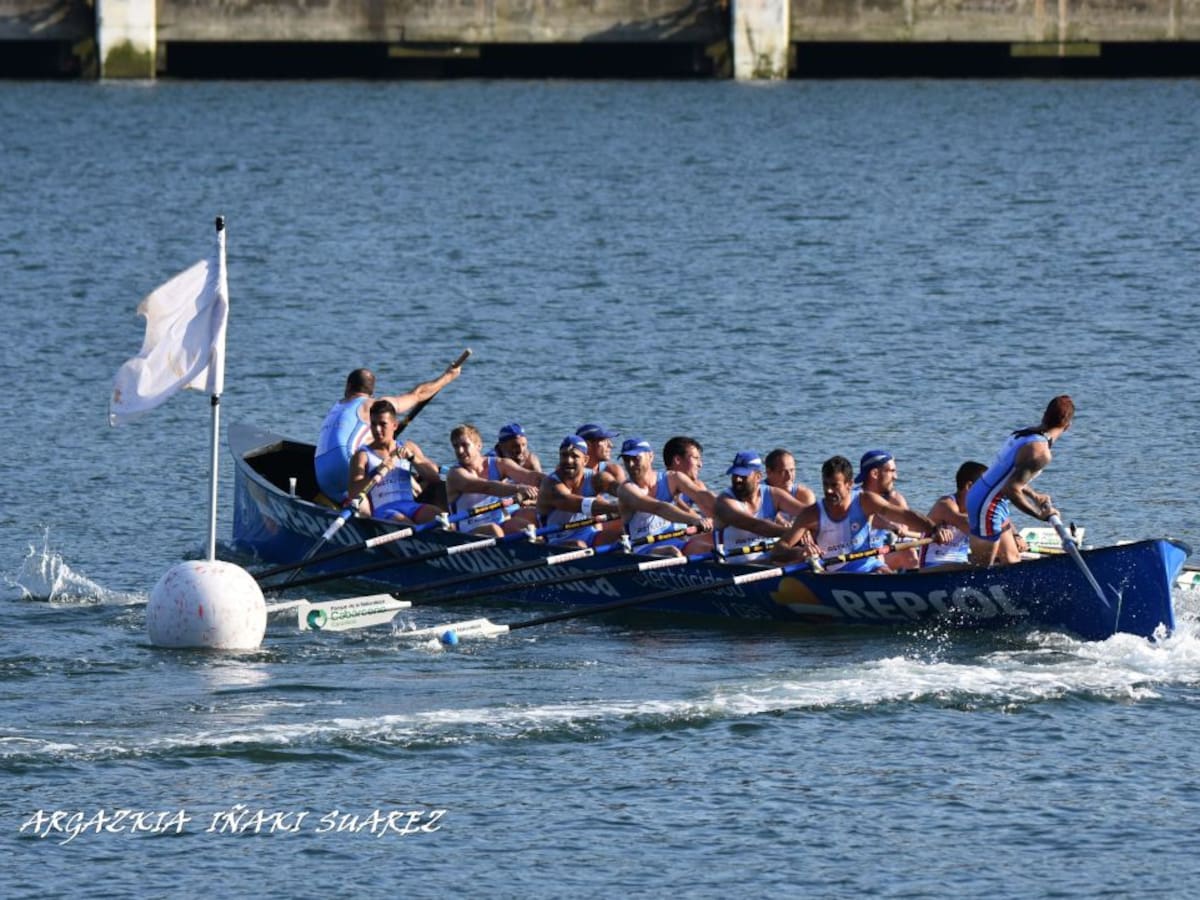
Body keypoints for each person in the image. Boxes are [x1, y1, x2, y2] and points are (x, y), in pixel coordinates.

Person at [773, 456, 952, 573]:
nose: (828, 491)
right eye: (825, 484)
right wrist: (800, 552)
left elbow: (904, 515)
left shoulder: (866, 501)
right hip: (834, 575)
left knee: (885, 570)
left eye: (834, 485)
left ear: (849, 484)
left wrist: (934, 529)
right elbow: (779, 550)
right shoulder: (811, 514)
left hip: (870, 568)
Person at [314, 361, 462, 502]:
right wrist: (448, 377)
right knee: (403, 458)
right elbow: (418, 395)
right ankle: (413, 491)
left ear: (348, 386)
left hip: (322, 476)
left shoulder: (337, 407)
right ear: (372, 392)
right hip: (347, 467)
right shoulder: (371, 405)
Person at [966, 395, 1074, 567]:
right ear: (1067, 426)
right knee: (980, 571)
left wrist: (1034, 495)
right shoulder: (1041, 452)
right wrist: (1040, 515)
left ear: (1044, 415)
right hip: (988, 506)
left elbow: (1010, 478)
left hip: (984, 496)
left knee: (1012, 559)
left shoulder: (1024, 433)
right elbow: (1011, 489)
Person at [346, 400, 443, 525]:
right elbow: (353, 492)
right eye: (373, 424)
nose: (377, 429)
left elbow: (434, 477)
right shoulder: (362, 455)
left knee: (440, 518)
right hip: (384, 511)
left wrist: (412, 458)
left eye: (383, 424)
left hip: (411, 506)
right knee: (407, 525)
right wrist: (376, 471)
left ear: (395, 425)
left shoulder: (408, 447)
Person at [616, 437, 712, 557]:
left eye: (636, 459)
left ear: (650, 456)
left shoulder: (672, 478)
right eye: (626, 460)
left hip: (675, 540)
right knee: (672, 552)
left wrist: (727, 511)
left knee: (709, 549)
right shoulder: (626, 489)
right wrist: (694, 520)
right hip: (643, 548)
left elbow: (702, 496)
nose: (630, 464)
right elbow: (659, 508)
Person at [713, 451, 814, 561]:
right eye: (735, 475)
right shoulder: (724, 502)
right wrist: (795, 532)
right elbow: (756, 526)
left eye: (743, 476)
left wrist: (809, 528)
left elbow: (809, 514)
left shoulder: (774, 494)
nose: (738, 480)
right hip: (736, 565)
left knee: (806, 552)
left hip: (771, 561)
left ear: (758, 477)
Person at [446, 424, 541, 536]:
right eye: (456, 446)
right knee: (493, 529)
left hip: (499, 524)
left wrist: (554, 482)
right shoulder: (455, 474)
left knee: (526, 523)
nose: (460, 451)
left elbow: (529, 476)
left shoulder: (499, 463)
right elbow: (487, 487)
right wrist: (519, 489)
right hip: (467, 531)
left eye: (464, 445)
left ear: (479, 445)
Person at [536, 436, 622, 548]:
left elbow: (617, 488)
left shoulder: (595, 478)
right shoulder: (550, 485)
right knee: (578, 544)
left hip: (589, 535)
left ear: (585, 460)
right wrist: (618, 508)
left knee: (623, 536)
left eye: (574, 456)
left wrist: (634, 500)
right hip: (556, 540)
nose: (568, 460)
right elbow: (577, 504)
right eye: (564, 455)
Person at [854, 449, 918, 569]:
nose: (896, 477)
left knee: (909, 552)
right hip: (855, 557)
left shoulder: (895, 500)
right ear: (874, 474)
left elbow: (912, 528)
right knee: (877, 558)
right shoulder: (855, 498)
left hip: (880, 554)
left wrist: (935, 530)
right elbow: (871, 518)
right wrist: (890, 526)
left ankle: (914, 580)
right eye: (891, 471)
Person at [920, 461, 988, 568]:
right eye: (986, 487)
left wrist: (1013, 534)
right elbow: (968, 524)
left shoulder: (977, 508)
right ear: (969, 486)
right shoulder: (945, 505)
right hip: (932, 564)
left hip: (960, 562)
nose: (988, 492)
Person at [662, 436, 716, 515]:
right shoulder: (657, 485)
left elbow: (714, 512)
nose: (700, 464)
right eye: (695, 458)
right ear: (677, 460)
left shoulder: (697, 485)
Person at [764, 448, 817, 518]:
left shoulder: (804, 496)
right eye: (783, 472)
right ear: (768, 472)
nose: (789, 476)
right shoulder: (756, 493)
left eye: (792, 470)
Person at [576, 423, 626, 492]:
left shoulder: (613, 471)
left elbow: (626, 495)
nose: (611, 445)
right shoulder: (569, 473)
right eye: (604, 440)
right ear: (588, 445)